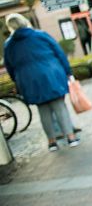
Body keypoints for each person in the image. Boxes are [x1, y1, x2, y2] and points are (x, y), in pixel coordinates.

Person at [3, 13, 80, 151]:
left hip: (29, 81)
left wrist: (18, 80)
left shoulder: (9, 44)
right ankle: (71, 137)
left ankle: (52, 142)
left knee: (43, 111)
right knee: (60, 107)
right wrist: (68, 72)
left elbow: (10, 66)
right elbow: (59, 53)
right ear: (24, 21)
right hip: (52, 75)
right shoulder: (40, 35)